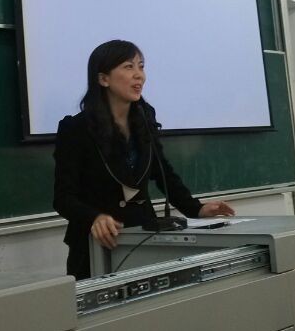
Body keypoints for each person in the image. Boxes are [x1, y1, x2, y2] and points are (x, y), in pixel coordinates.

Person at [52, 39, 235, 280]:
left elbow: (163, 173)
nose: (139, 75)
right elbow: (63, 198)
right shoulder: (76, 129)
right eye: (129, 67)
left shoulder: (144, 119)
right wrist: (94, 218)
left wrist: (196, 208)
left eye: (141, 66)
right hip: (94, 246)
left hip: (143, 239)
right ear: (103, 79)